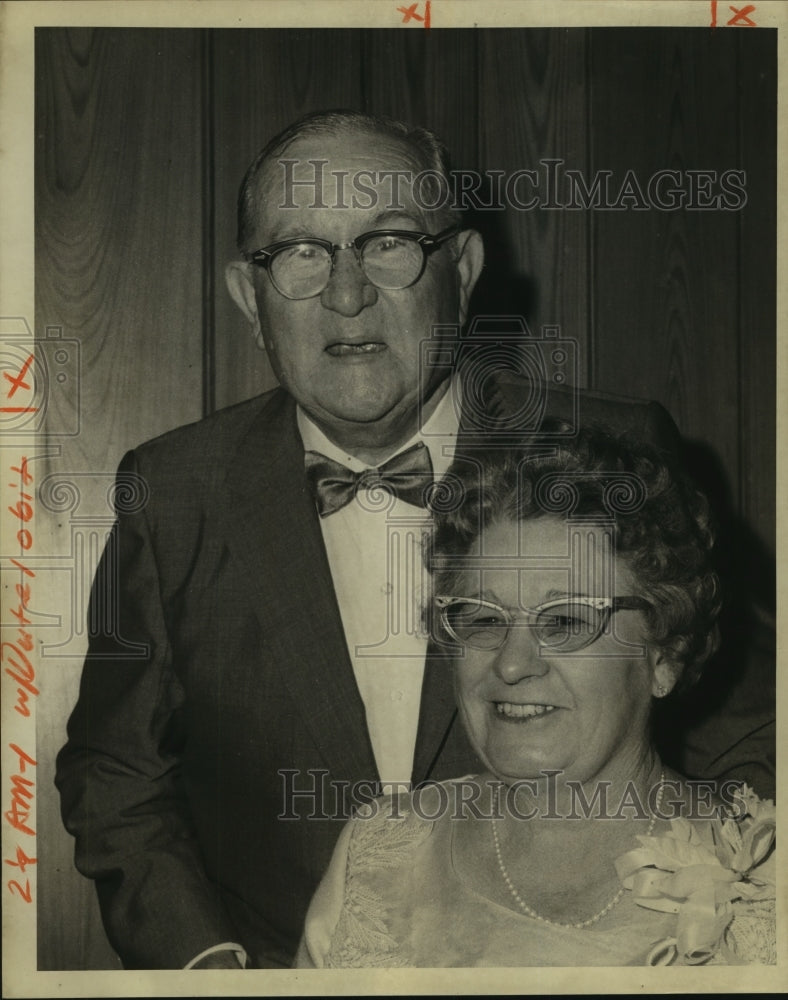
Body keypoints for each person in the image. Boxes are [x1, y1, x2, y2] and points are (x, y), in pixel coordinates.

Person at [54, 109, 772, 970]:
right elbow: (115, 775)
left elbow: (755, 730)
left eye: (387, 242)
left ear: (460, 272)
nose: (346, 294)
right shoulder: (173, 492)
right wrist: (210, 971)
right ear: (249, 298)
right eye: (300, 253)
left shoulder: (611, 448)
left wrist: (710, 925)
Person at [296, 427, 776, 968]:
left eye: (566, 620)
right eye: (481, 619)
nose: (511, 663)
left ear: (664, 654)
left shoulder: (763, 876)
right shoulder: (381, 852)